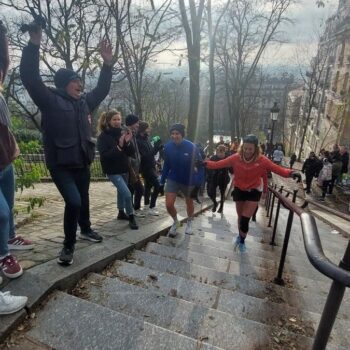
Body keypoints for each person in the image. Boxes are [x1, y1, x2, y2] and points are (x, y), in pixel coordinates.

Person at [20, 26, 113, 265]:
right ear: (64, 84)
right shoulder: (49, 99)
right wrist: (33, 44)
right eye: (75, 81)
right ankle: (68, 246)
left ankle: (87, 229)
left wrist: (107, 64)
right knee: (73, 201)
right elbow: (30, 78)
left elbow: (102, 89)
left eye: (81, 81)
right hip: (60, 164)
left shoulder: (84, 102)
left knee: (84, 198)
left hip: (82, 160)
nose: (80, 85)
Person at [204, 134, 300, 253]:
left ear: (255, 148)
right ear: (242, 147)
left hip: (253, 191)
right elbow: (219, 164)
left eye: (250, 149)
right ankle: (240, 236)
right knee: (240, 218)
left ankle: (242, 242)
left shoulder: (262, 160)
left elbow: (277, 169)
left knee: (245, 220)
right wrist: (204, 163)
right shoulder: (235, 157)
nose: (247, 151)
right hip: (239, 190)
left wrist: (291, 173)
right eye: (245, 148)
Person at [0, 20, 28, 314]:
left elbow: (3, 64)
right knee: (1, 213)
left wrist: (2, 34)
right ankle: (3, 254)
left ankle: (7, 243)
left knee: (7, 211)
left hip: (5, 162)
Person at [97, 110, 138, 229]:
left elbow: (131, 153)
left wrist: (128, 143)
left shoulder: (123, 132)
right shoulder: (103, 136)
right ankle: (131, 217)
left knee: (121, 192)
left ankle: (121, 212)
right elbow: (105, 155)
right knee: (127, 194)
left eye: (119, 119)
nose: (117, 122)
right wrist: (120, 146)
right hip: (112, 170)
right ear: (108, 121)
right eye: (114, 119)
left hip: (124, 168)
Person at [160, 123, 203, 237]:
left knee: (189, 202)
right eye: (172, 134)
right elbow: (167, 165)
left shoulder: (191, 147)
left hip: (188, 180)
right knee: (169, 204)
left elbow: (200, 165)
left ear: (182, 134)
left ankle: (189, 222)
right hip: (173, 178)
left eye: (177, 133)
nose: (174, 136)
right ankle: (176, 222)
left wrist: (198, 182)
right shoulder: (168, 147)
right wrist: (162, 180)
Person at [136, 121, 162, 216]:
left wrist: (159, 147)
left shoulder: (146, 139)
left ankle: (147, 205)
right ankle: (152, 207)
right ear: (143, 129)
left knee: (148, 187)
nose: (149, 129)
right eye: (148, 128)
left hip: (151, 166)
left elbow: (152, 153)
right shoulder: (138, 141)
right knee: (158, 185)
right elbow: (145, 156)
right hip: (145, 168)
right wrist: (155, 148)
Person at [124, 114, 145, 218]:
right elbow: (127, 154)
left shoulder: (133, 134)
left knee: (132, 190)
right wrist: (131, 170)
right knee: (138, 189)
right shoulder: (127, 134)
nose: (138, 124)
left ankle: (132, 210)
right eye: (136, 123)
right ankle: (131, 211)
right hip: (130, 168)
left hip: (135, 168)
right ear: (131, 123)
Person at [206, 145, 230, 213]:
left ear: (225, 151)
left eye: (222, 151)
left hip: (223, 178)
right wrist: (209, 175)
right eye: (219, 151)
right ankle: (215, 203)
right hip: (215, 177)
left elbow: (232, 169)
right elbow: (208, 166)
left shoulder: (227, 158)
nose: (220, 153)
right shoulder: (213, 157)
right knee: (210, 192)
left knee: (222, 194)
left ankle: (221, 207)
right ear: (217, 151)